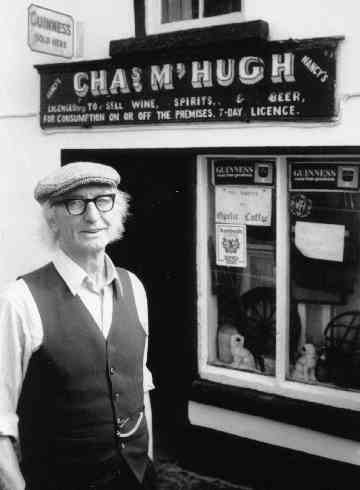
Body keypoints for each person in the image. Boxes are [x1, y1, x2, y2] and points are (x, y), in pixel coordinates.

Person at [0, 162, 156, 490]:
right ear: (52, 218)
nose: (92, 216)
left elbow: (139, 388)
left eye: (103, 200)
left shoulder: (134, 288)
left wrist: (148, 461)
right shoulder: (20, 300)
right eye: (75, 203)